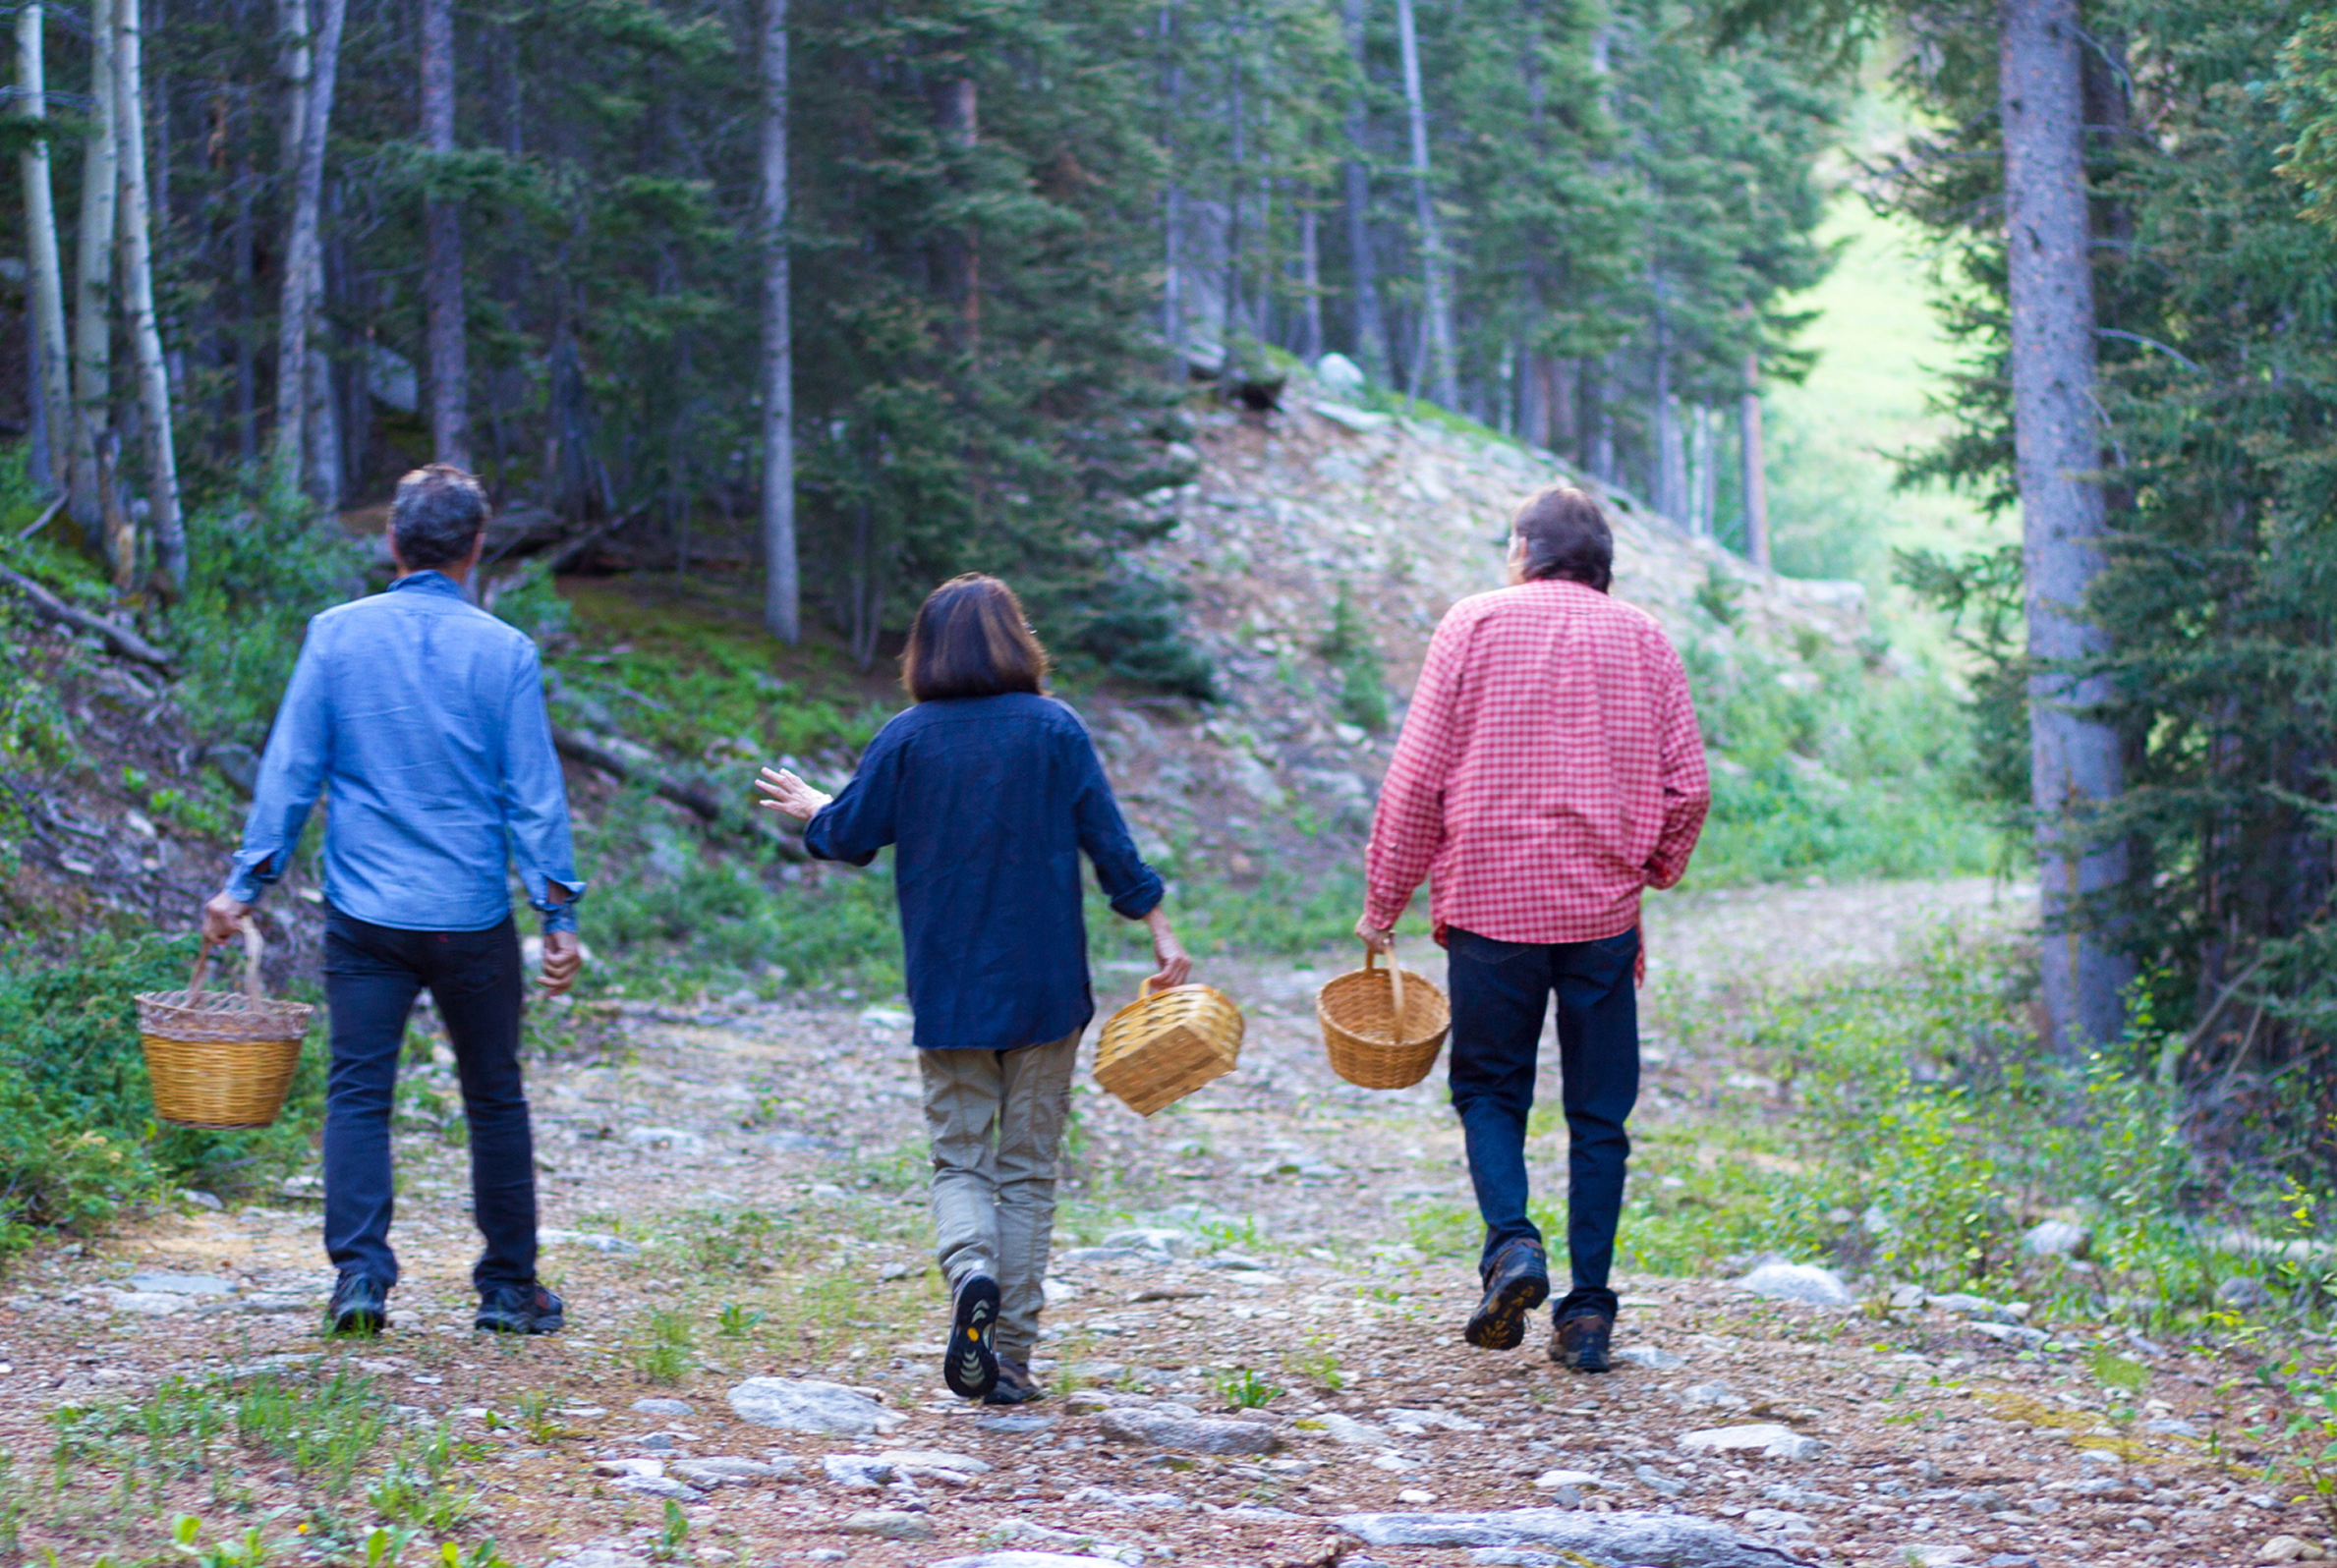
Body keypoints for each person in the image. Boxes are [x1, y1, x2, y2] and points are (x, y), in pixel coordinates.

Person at [756, 573, 1188, 1405]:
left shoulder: (908, 737)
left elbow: (848, 836)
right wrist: (1160, 929)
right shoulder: (1055, 729)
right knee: (1027, 1171)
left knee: (960, 1160)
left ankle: (971, 1273)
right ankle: (1011, 1359)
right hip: (1045, 989)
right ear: (1018, 641)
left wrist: (816, 806)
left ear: (925, 653)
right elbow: (1111, 844)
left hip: (949, 989)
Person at [203, 465, 586, 1339]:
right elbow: (535, 796)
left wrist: (243, 887)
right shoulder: (506, 651)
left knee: (358, 1093)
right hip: (470, 918)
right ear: (476, 548)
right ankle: (507, 1289)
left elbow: (291, 772)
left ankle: (360, 1280)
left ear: (391, 542)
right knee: (494, 1096)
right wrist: (557, 915)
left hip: (365, 917)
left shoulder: (336, 637)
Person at [1357, 484, 1708, 1373]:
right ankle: (1587, 1315)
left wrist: (1383, 903)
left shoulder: (1471, 624)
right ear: (1602, 563)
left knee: (1489, 1089)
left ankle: (1514, 1244)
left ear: (1524, 550)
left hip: (1490, 908)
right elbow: (1689, 789)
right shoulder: (1645, 638)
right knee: (1599, 1112)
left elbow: (1417, 779)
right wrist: (1647, 868)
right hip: (1601, 918)